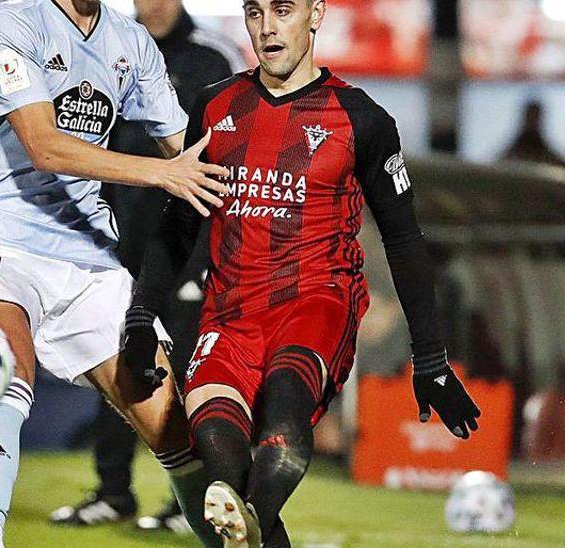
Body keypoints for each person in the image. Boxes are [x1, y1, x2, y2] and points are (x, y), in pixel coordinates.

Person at [124, 0, 481, 545]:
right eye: (254, 12)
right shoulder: (214, 107)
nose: (267, 27)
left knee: (284, 415)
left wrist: (430, 360)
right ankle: (251, 524)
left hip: (316, 305)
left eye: (283, 10)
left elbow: (405, 240)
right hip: (230, 311)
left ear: (315, 14)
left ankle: (249, 516)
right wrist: (141, 314)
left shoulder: (361, 119)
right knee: (213, 437)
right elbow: (180, 224)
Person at [0, 1, 231, 546]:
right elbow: (44, 145)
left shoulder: (131, 43)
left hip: (84, 248)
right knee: (8, 371)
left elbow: (189, 152)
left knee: (167, 420)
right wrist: (163, 174)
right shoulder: (11, 24)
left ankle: (228, 541)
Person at [47, 0, 246, 532]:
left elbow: (225, 165)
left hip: (186, 245)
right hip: (120, 239)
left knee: (186, 373)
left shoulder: (212, 59)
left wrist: (209, 256)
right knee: (115, 358)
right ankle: (114, 491)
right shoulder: (109, 48)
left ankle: (199, 500)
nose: (148, 4)